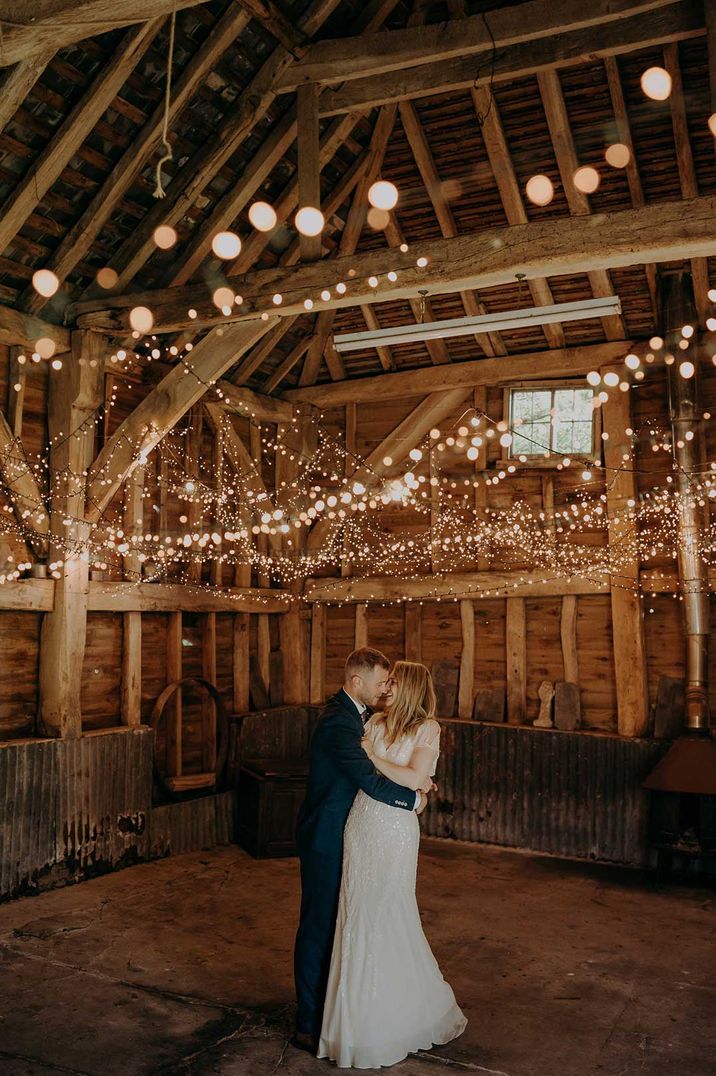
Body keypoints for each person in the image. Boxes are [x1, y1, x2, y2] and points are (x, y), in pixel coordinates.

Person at [318, 660, 467, 1069]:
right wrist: (399, 777)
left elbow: (411, 774)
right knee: (357, 915)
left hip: (395, 831)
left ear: (412, 688)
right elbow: (379, 776)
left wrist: (380, 764)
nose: (387, 689)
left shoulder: (428, 728)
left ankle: (399, 1014)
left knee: (389, 911)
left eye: (394, 683)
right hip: (361, 823)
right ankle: (356, 1022)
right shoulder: (374, 722)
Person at [293, 648, 434, 1054]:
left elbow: (385, 769)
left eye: (390, 682)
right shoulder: (340, 722)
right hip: (326, 836)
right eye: (379, 682)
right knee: (319, 924)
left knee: (349, 920)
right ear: (358, 682)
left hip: (355, 833)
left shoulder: (358, 715)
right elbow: (368, 778)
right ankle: (308, 1021)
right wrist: (414, 799)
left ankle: (341, 1006)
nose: (384, 688)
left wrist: (416, 781)